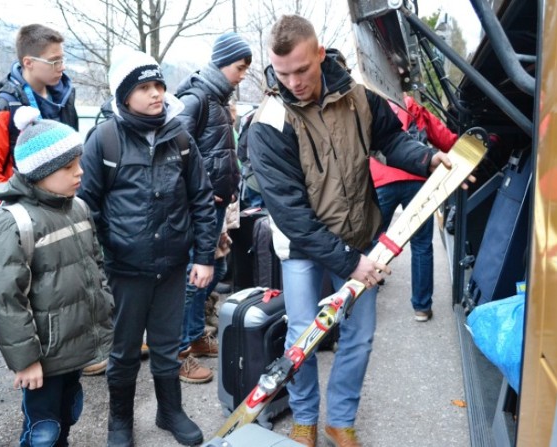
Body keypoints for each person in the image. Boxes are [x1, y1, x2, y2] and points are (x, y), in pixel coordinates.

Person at [247, 15, 457, 447]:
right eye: (282, 73)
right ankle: (304, 418)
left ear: (320, 54)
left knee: (358, 338)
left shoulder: (359, 97)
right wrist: (350, 263)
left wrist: (425, 159)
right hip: (304, 247)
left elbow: (391, 139)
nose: (293, 82)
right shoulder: (268, 123)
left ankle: (339, 420)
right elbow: (291, 215)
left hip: (360, 234)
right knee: (304, 334)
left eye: (302, 70)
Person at [78, 45, 217, 447]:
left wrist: (204, 256)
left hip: (173, 266)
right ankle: (119, 421)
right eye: (146, 87)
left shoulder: (181, 138)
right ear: (124, 95)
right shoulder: (104, 141)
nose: (157, 93)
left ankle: (169, 411)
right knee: (122, 353)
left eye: (159, 84)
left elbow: (201, 200)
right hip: (125, 270)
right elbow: (88, 209)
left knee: (166, 346)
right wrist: (106, 257)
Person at [0, 106, 114, 447]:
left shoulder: (78, 208)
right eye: (69, 167)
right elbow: (6, 300)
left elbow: (94, 266)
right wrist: (26, 361)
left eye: (79, 164)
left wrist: (104, 311)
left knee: (68, 413)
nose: (80, 173)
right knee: (44, 428)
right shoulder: (16, 222)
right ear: (41, 173)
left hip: (74, 346)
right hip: (42, 356)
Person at [174, 31, 251, 384]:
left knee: (215, 272)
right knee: (196, 275)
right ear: (222, 63)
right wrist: (202, 192)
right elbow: (177, 153)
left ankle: (195, 336)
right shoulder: (197, 98)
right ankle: (180, 350)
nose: (244, 73)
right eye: (240, 66)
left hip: (217, 206)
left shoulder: (219, 99)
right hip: (201, 206)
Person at [0, 23, 78, 207]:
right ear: (28, 62)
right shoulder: (4, 108)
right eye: (54, 61)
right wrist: (23, 206)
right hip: (23, 216)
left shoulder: (64, 101)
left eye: (62, 59)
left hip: (60, 209)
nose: (62, 67)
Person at [372, 94, 458, 322]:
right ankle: (421, 307)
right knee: (421, 244)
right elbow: (443, 137)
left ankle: (365, 301)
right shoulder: (412, 105)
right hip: (418, 178)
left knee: (371, 240)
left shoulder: (373, 101)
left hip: (382, 180)